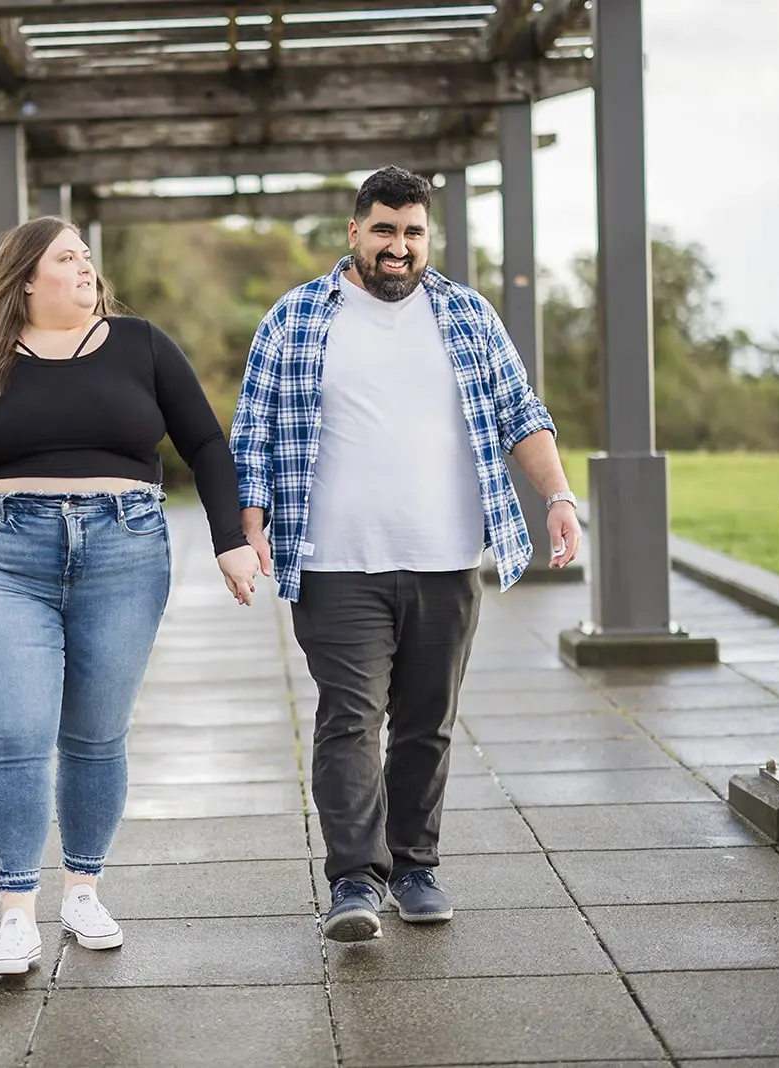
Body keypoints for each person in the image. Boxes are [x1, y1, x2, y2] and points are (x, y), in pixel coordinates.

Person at [0, 217, 261, 976]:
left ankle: (84, 889)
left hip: (125, 551)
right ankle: (16, 914)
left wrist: (230, 539)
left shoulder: (142, 345)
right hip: (1, 553)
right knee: (17, 734)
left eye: (88, 257)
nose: (86, 269)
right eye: (67, 258)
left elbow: (206, 446)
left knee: (95, 735)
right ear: (25, 278)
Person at [228, 166, 582, 943]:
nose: (399, 246)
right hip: (332, 562)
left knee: (427, 722)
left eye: (413, 232)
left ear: (430, 238)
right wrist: (248, 530)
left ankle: (414, 866)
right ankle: (355, 880)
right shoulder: (296, 317)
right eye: (384, 230)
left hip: (446, 558)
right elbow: (250, 435)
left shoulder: (466, 314)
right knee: (350, 719)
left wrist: (558, 496)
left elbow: (520, 411)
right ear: (354, 232)